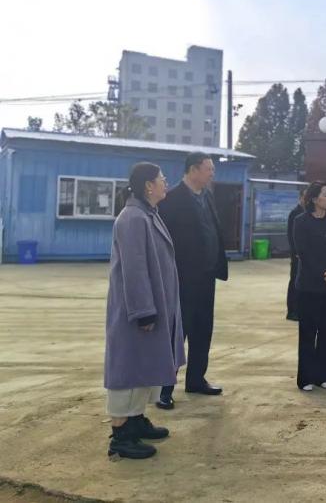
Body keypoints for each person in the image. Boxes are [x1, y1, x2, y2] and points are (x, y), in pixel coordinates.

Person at [105, 162, 185, 460]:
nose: (166, 183)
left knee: (144, 368)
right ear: (148, 185)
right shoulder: (133, 218)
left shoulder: (148, 214)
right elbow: (134, 269)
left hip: (153, 307)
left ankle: (135, 420)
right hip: (137, 311)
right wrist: (143, 311)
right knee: (128, 370)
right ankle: (121, 436)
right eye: (162, 179)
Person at [156, 152, 228, 409]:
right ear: (194, 170)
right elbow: (163, 240)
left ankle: (196, 379)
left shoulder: (206, 196)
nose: (212, 174)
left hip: (207, 276)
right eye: (209, 169)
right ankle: (164, 388)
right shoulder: (171, 199)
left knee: (202, 329)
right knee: (178, 332)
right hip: (182, 277)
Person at [292, 181, 326, 391]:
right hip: (309, 284)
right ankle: (306, 378)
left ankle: (325, 375)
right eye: (325, 195)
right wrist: (323, 273)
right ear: (314, 198)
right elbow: (303, 252)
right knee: (308, 331)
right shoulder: (301, 221)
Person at [286, 189, 306, 322]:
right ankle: (292, 311)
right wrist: (296, 252)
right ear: (300, 197)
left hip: (306, 255)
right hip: (297, 255)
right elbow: (291, 235)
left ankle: (300, 309)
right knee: (295, 281)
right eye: (305, 197)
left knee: (303, 283)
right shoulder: (295, 213)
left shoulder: (307, 212)